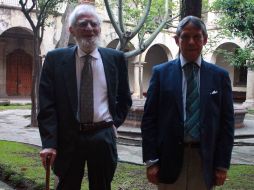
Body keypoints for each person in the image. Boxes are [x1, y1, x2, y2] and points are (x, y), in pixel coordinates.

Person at [37, 4, 132, 190]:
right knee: (67, 186)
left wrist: (113, 124)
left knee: (102, 186)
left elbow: (124, 98)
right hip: (69, 137)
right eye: (83, 24)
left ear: (100, 27)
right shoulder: (55, 59)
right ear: (71, 29)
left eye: (94, 24)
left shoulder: (116, 59)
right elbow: (47, 105)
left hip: (103, 136)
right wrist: (49, 143)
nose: (89, 28)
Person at [141, 15, 234, 190]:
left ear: (204, 40)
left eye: (197, 36)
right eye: (185, 36)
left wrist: (222, 164)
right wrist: (151, 160)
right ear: (177, 40)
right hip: (168, 158)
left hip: (205, 159)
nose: (191, 42)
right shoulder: (161, 73)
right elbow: (149, 120)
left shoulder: (219, 77)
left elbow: (226, 123)